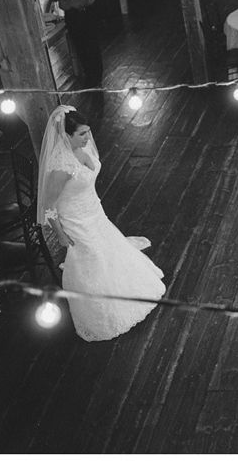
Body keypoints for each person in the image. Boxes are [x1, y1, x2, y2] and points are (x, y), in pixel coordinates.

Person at [38, 105, 165, 341]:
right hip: (76, 220)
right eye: (82, 134)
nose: (88, 137)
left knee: (109, 251)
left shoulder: (83, 150)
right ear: (67, 135)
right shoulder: (60, 168)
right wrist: (61, 234)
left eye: (88, 131)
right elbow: (48, 207)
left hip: (93, 211)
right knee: (93, 259)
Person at [45, 0, 103, 88]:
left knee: (92, 43)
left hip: (87, 9)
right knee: (80, 46)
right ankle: (89, 75)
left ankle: (98, 74)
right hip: (71, 14)